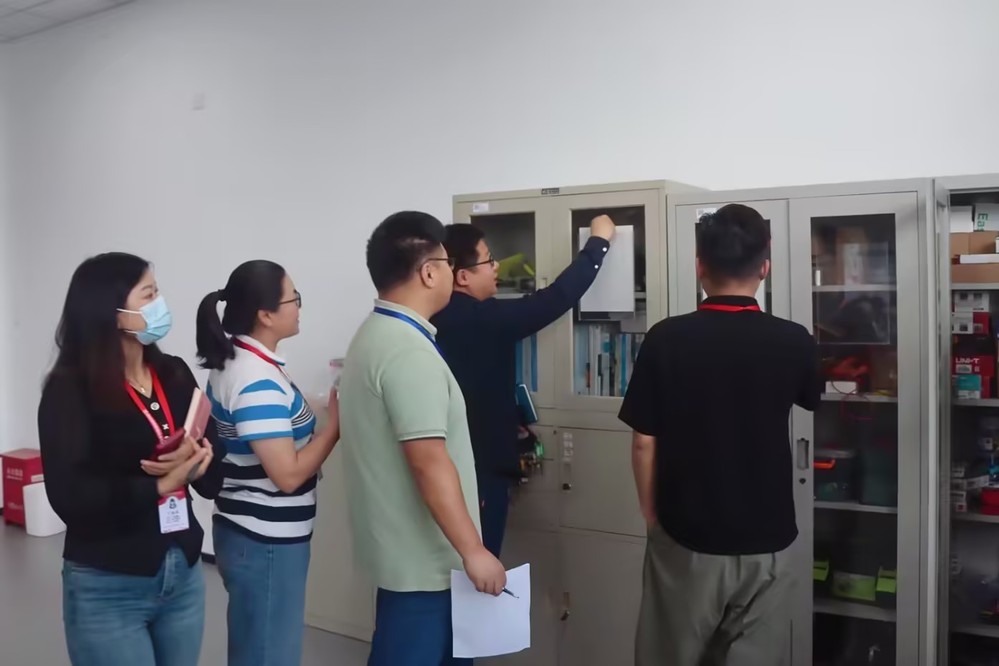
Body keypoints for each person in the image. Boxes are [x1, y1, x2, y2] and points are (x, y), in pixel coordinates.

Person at [619, 204, 821, 666]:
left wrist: (652, 517)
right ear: (765, 268)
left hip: (687, 534)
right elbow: (810, 399)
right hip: (769, 538)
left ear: (700, 267)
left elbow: (644, 441)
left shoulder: (666, 338)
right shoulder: (795, 340)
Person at [38, 252, 222, 666]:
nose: (160, 304)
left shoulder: (173, 373)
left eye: (158, 292)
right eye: (149, 294)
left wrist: (201, 456)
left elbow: (209, 445)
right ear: (114, 313)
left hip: (183, 572)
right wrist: (160, 485)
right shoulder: (69, 391)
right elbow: (70, 496)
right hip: (108, 583)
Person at [340, 211, 506, 666]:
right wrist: (475, 550)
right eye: (448, 263)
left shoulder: (375, 334)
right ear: (429, 272)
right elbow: (427, 461)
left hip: (403, 558)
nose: (453, 273)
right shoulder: (407, 352)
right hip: (424, 569)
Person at [432, 214, 616, 556]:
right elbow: (556, 298)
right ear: (463, 276)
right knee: (477, 565)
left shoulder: (435, 316)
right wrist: (598, 243)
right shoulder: (480, 320)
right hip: (478, 474)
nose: (496, 267)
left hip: (452, 466)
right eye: (489, 260)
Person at [195, 260, 340, 666]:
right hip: (265, 540)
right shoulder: (254, 378)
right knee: (268, 653)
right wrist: (334, 430)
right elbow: (288, 475)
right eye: (294, 299)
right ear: (266, 314)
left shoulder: (244, 361)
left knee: (258, 647)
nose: (299, 307)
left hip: (252, 533)